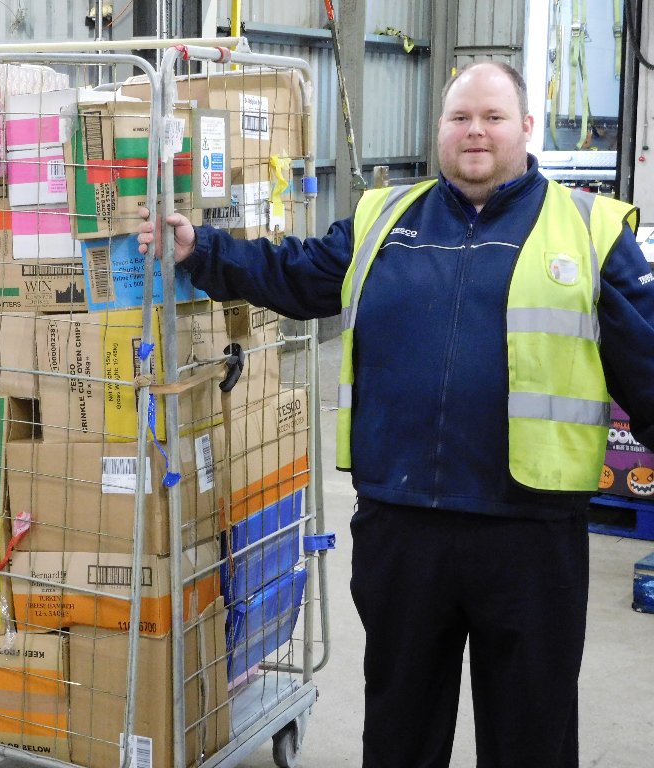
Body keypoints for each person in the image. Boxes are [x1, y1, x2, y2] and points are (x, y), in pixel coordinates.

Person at [138, 61, 654, 767]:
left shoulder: (589, 230)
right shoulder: (385, 218)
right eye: (460, 117)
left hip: (529, 536)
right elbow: (295, 273)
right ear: (439, 128)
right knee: (399, 733)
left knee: (532, 736)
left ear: (525, 129)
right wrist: (203, 252)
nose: (475, 130)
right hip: (402, 528)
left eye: (494, 117)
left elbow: (650, 365)